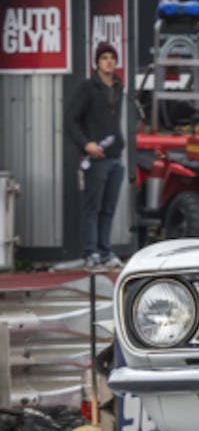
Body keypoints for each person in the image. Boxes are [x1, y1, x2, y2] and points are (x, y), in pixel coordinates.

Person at [66, 42, 125, 270]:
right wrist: (86, 144)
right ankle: (91, 253)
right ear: (97, 63)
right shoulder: (88, 88)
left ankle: (105, 251)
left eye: (112, 57)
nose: (109, 61)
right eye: (104, 58)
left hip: (115, 158)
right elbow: (70, 120)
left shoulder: (118, 86)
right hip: (96, 159)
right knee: (93, 207)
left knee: (108, 209)